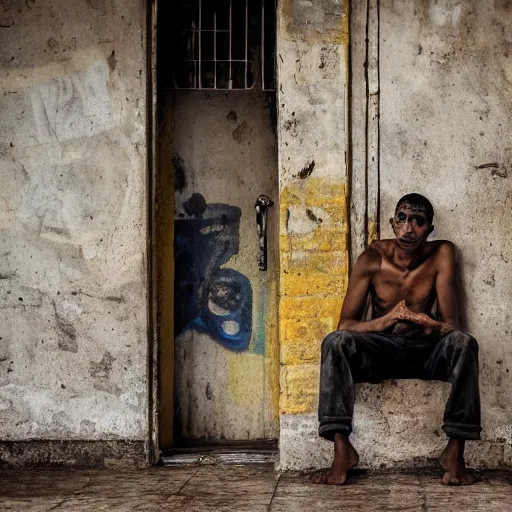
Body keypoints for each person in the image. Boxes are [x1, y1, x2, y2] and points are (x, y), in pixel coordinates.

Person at [312, 193, 481, 486]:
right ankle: (342, 451)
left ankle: (455, 453)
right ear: (392, 222)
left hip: (425, 352)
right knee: (334, 342)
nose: (408, 229)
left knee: (465, 344)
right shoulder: (372, 258)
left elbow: (452, 326)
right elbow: (346, 324)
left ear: (429, 229)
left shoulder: (441, 254)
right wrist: (388, 320)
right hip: (381, 350)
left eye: (418, 222)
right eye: (402, 219)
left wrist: (431, 324)